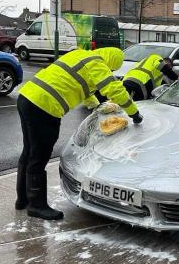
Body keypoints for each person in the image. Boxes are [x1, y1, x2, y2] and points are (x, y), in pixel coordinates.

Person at [16, 47, 143, 220]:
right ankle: (36, 205)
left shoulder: (81, 55)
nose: (111, 71)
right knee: (38, 156)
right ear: (111, 62)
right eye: (112, 68)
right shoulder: (97, 63)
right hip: (44, 106)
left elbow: (82, 86)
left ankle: (22, 199)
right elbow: (114, 89)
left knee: (29, 151)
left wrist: (96, 105)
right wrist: (134, 112)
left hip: (27, 97)